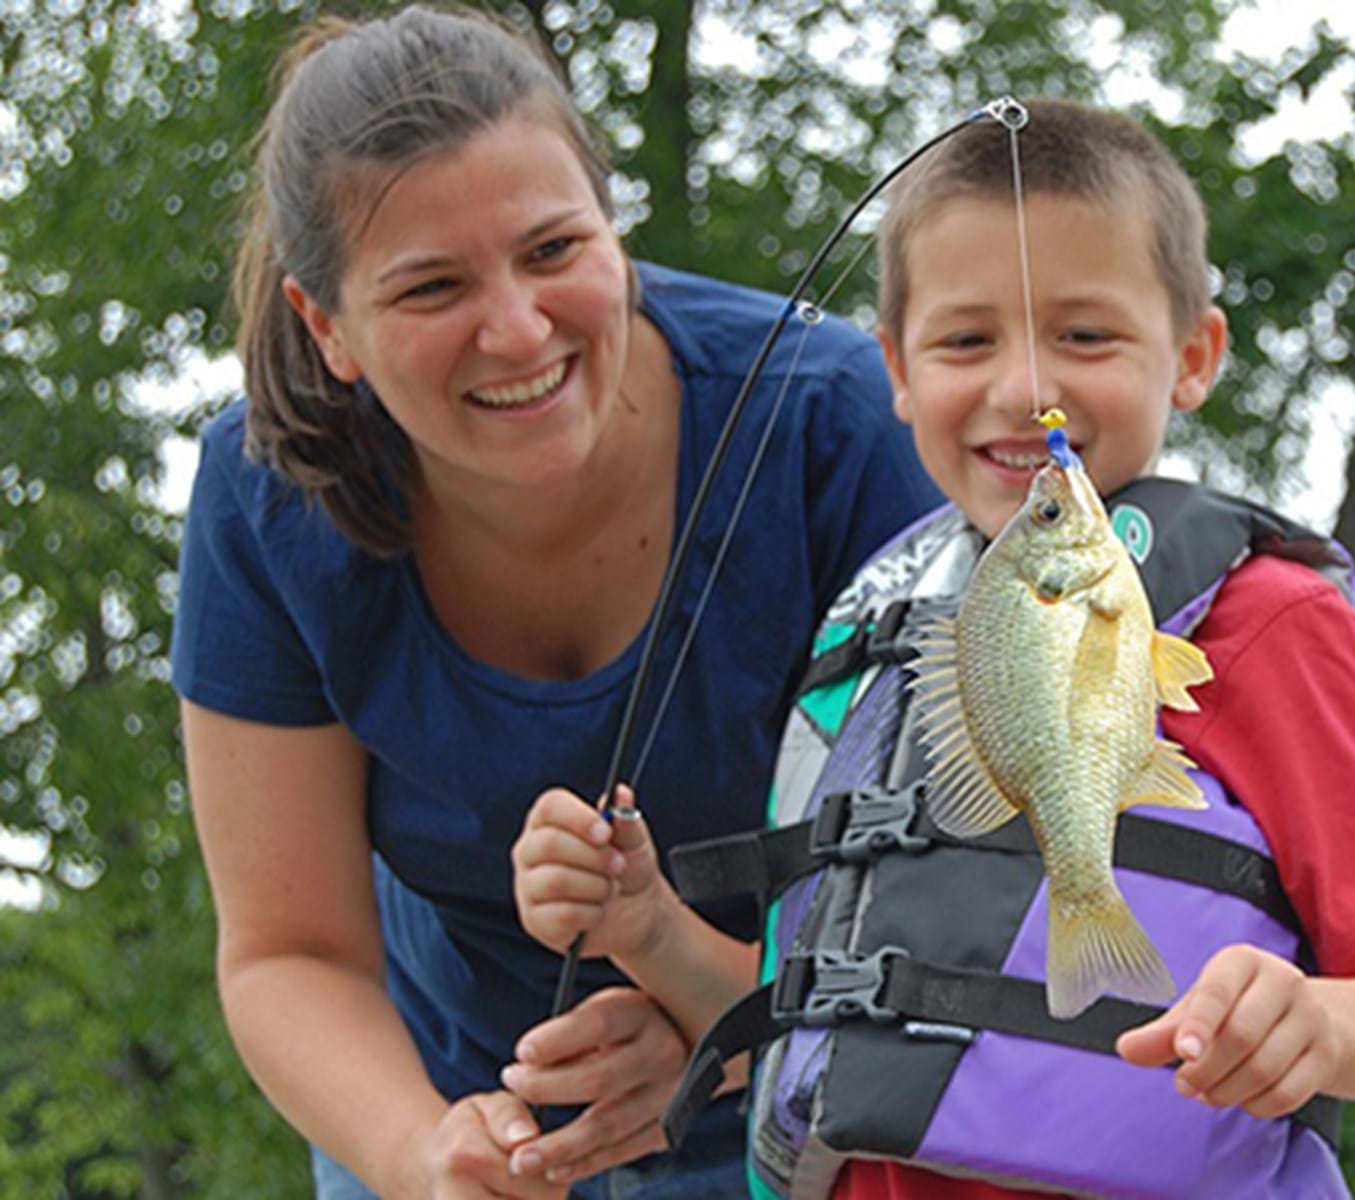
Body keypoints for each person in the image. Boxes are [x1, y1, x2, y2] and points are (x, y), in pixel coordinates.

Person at [513, 99, 1355, 1198]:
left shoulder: (1266, 624)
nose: (1025, 388)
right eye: (964, 340)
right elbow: (825, 1025)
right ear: (895, 368)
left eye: (1086, 335)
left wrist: (1322, 1022)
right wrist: (648, 926)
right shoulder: (884, 642)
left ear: (1193, 355)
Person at [170, 5, 941, 1198]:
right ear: (326, 328)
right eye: (430, 287)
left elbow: (953, 900)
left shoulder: (834, 425)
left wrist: (709, 1037)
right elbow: (289, 952)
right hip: (441, 1104)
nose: (517, 329)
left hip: (813, 1090)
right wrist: (425, 1154)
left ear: (613, 224)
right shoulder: (265, 495)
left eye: (552, 250)